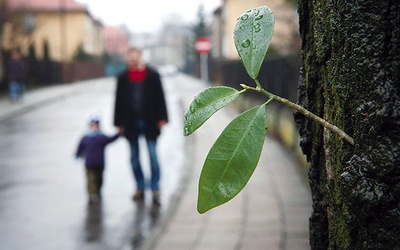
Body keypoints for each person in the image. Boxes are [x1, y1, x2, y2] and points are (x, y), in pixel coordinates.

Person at [114, 47, 168, 206]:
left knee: (153, 155)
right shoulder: (123, 77)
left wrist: (163, 117)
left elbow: (160, 97)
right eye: (129, 57)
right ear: (127, 58)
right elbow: (118, 101)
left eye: (135, 57)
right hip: (130, 123)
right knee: (134, 157)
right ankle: (139, 187)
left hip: (150, 121)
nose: (132, 60)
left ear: (140, 57)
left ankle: (155, 187)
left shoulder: (152, 75)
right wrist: (118, 123)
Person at [76, 116, 120, 204]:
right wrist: (77, 155)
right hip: (89, 164)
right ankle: (91, 195)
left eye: (96, 125)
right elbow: (80, 147)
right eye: (92, 125)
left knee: (99, 179)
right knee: (91, 180)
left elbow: (111, 139)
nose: (94, 127)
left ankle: (97, 192)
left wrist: (118, 134)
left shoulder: (101, 137)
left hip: (100, 164)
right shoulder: (86, 138)